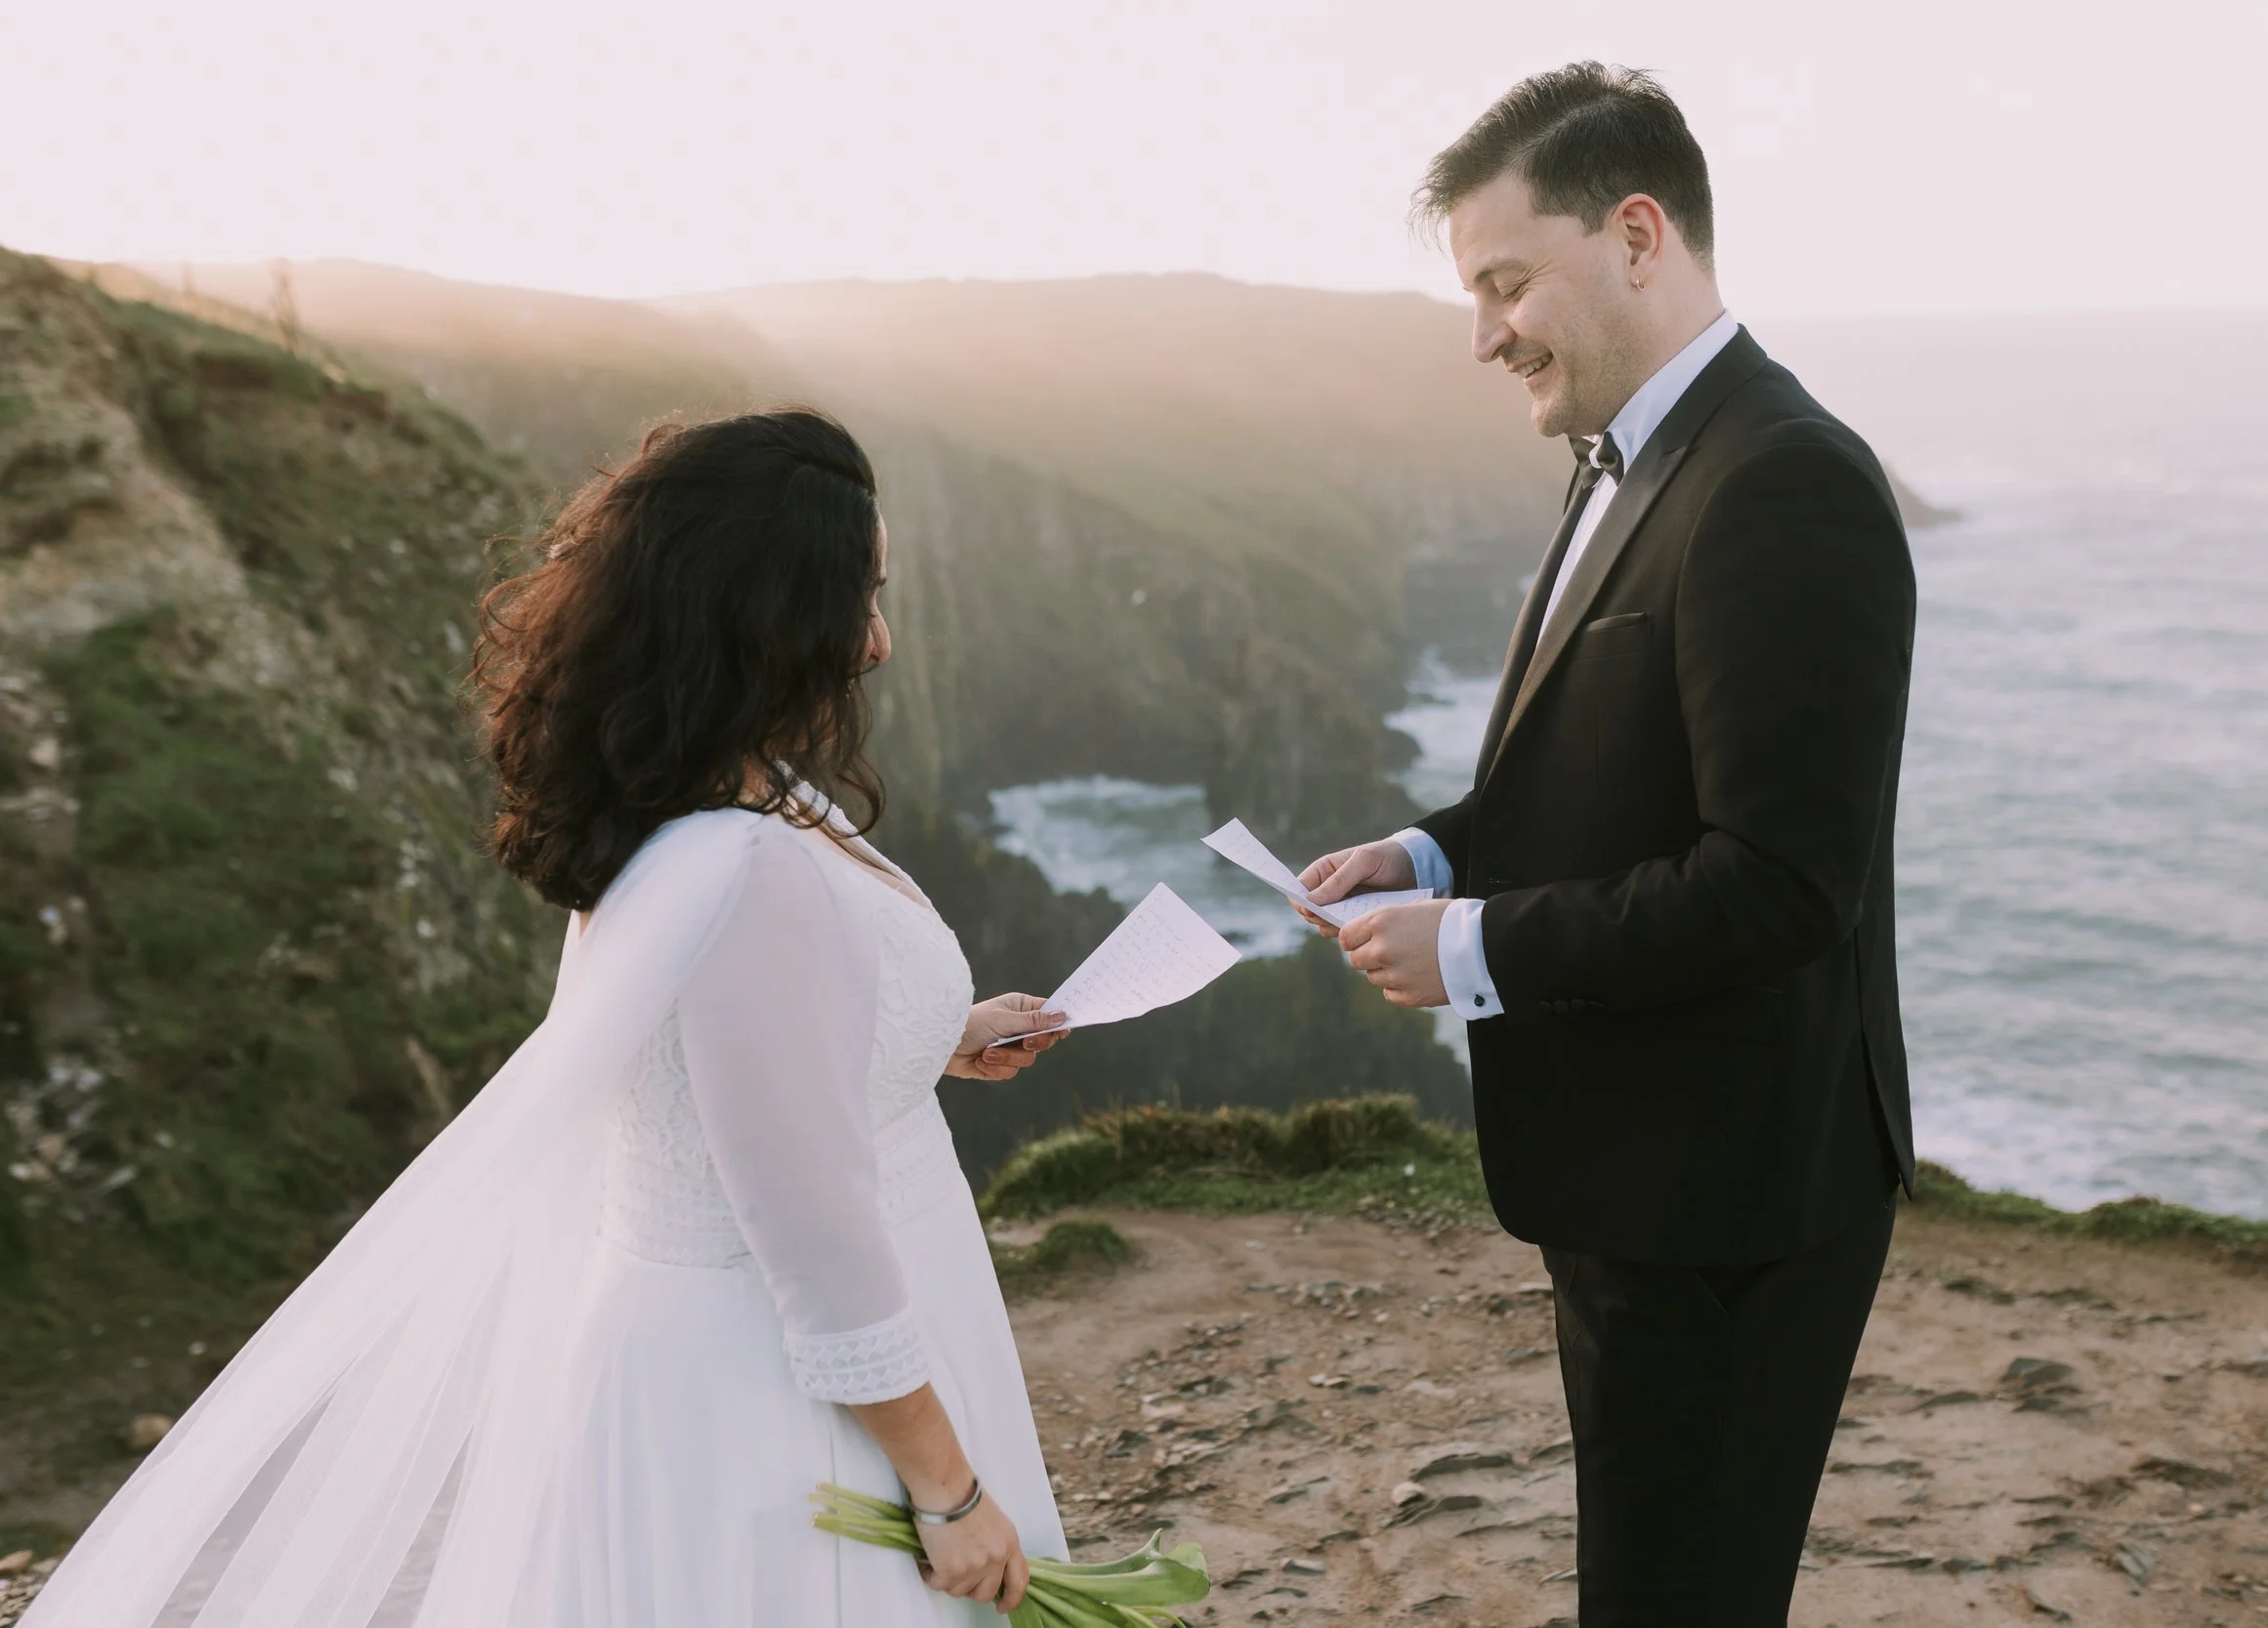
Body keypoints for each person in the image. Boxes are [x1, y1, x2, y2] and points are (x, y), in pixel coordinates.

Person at [25, 409, 1068, 1627]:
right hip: (774, 1411)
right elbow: (811, 1227)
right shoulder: (754, 869)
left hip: (709, 1366)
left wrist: (931, 1032)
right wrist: (946, 1492)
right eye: (857, 600)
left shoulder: (693, 804)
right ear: (764, 618)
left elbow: (728, 1062)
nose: (880, 642)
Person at [1298, 64, 1917, 1627]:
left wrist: (1478, 953)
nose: (1484, 330)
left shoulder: (1784, 480)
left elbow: (1780, 883)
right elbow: (1596, 772)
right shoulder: (1625, 459)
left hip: (1732, 1204)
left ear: (1639, 234)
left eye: (1507, 281)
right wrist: (1432, 858)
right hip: (1641, 1171)